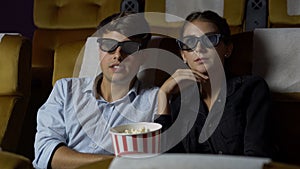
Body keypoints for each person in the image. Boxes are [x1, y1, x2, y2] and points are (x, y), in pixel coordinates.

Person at [33, 12, 158, 169]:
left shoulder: (155, 100)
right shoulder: (65, 90)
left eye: (130, 47)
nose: (118, 55)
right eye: (109, 45)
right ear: (99, 49)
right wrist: (114, 163)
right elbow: (46, 152)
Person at [156, 10, 273, 157]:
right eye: (190, 42)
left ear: (228, 49)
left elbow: (256, 155)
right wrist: (163, 94)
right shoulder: (178, 103)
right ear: (183, 55)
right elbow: (166, 161)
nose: (199, 48)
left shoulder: (251, 89)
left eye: (210, 39)